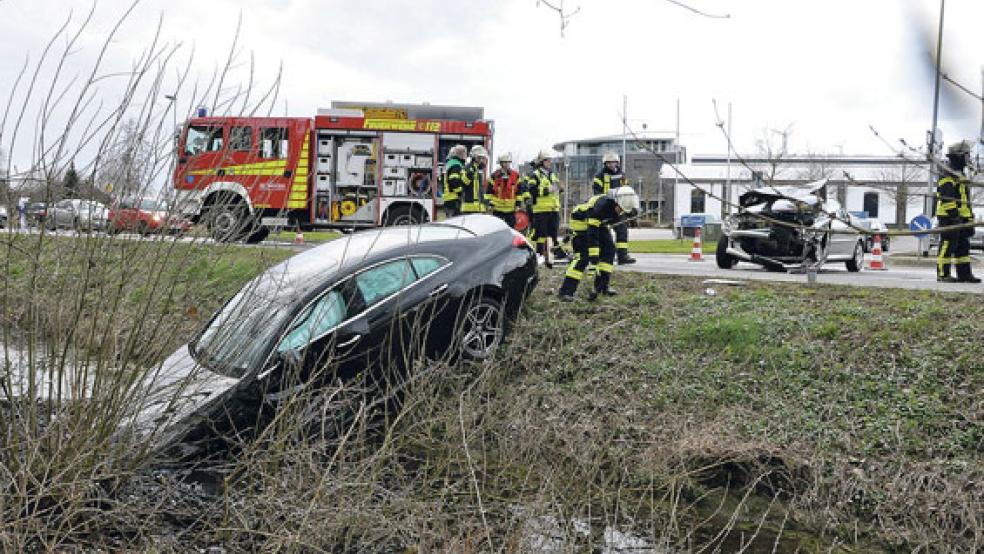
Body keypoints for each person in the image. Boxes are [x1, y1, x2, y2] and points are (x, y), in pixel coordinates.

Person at [557, 186, 641, 301]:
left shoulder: (620, 204)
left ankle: (602, 287)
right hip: (581, 223)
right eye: (620, 209)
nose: (621, 212)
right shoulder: (600, 207)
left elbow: (617, 219)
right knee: (584, 256)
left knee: (609, 250)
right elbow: (593, 234)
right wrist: (594, 256)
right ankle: (566, 292)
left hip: (599, 224)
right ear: (616, 203)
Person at [936, 139, 980, 283]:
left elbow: (965, 200)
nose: (969, 158)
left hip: (961, 218)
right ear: (959, 156)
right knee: (948, 245)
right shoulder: (947, 173)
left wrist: (969, 219)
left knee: (963, 247)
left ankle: (964, 274)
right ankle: (943, 274)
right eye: (967, 155)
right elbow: (946, 198)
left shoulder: (960, 173)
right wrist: (954, 216)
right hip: (949, 217)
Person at [593, 151, 636, 264]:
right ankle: (603, 256)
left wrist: (629, 207)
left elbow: (627, 190)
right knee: (602, 233)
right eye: (609, 163)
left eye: (614, 162)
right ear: (605, 164)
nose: (612, 165)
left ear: (617, 162)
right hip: (605, 209)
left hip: (619, 208)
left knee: (622, 231)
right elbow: (597, 193)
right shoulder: (599, 176)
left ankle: (623, 256)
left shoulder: (622, 175)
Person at [526, 149, 562, 267]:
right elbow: (532, 191)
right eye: (547, 160)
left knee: (553, 234)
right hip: (541, 210)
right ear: (542, 162)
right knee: (541, 235)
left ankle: (550, 257)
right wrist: (547, 190)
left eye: (550, 160)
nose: (550, 163)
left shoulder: (552, 174)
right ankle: (539, 254)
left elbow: (556, 187)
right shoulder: (534, 175)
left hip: (553, 209)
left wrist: (559, 188)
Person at [486, 153, 522, 228]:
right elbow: (489, 192)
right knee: (497, 229)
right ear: (501, 163)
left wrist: (518, 204)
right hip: (497, 209)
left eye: (508, 162)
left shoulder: (516, 175)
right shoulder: (494, 176)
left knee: (511, 229)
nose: (507, 164)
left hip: (511, 210)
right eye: (505, 162)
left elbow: (519, 191)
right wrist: (489, 204)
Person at [460, 145, 489, 214]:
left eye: (482, 158)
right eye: (479, 158)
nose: (481, 160)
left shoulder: (479, 169)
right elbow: (464, 183)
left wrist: (485, 202)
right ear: (473, 157)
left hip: (479, 207)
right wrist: (470, 172)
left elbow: (480, 188)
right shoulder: (467, 168)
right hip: (469, 207)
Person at [441, 144, 467, 218]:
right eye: (464, 154)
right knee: (456, 223)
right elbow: (454, 182)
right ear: (461, 154)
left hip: (448, 199)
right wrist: (461, 193)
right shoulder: (456, 165)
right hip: (454, 199)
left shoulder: (450, 163)